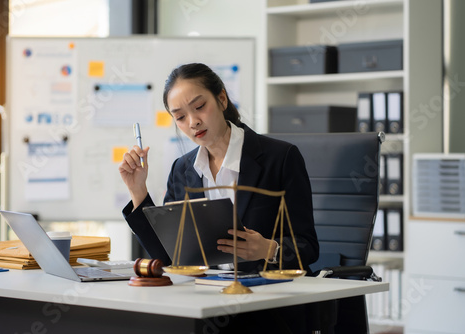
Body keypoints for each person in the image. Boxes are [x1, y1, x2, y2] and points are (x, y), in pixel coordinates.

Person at [119, 63, 318, 275]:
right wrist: (138, 191)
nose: (193, 122)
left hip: (268, 294)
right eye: (180, 117)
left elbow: (308, 247)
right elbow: (168, 256)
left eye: (200, 107)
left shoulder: (280, 158)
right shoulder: (182, 170)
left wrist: (269, 249)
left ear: (222, 99)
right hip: (206, 294)